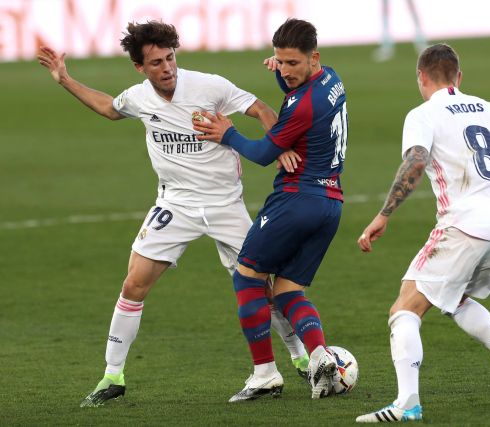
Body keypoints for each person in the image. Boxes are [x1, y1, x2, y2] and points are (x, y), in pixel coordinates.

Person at [37, 20, 309, 407]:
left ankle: (300, 357)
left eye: (170, 58)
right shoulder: (139, 97)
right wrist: (64, 78)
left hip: (225, 203)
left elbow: (262, 109)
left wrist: (279, 145)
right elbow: (110, 108)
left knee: (261, 286)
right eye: (156, 63)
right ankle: (112, 376)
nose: (166, 68)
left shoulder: (209, 86)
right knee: (134, 284)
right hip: (175, 204)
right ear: (140, 68)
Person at [355, 43, 490, 422]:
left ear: (421, 78)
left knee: (404, 309)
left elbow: (415, 161)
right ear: (459, 78)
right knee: (455, 299)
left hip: (465, 227)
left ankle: (407, 403)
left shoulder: (424, 114)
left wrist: (384, 214)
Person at [192, 18, 348, 401]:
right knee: (288, 290)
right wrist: (283, 78)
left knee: (246, 277)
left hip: (295, 201)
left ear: (314, 57)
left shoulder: (302, 106)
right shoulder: (331, 79)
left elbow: (264, 154)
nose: (285, 70)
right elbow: (295, 101)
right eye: (280, 62)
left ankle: (264, 374)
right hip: (331, 204)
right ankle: (321, 357)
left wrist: (226, 134)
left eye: (293, 63)